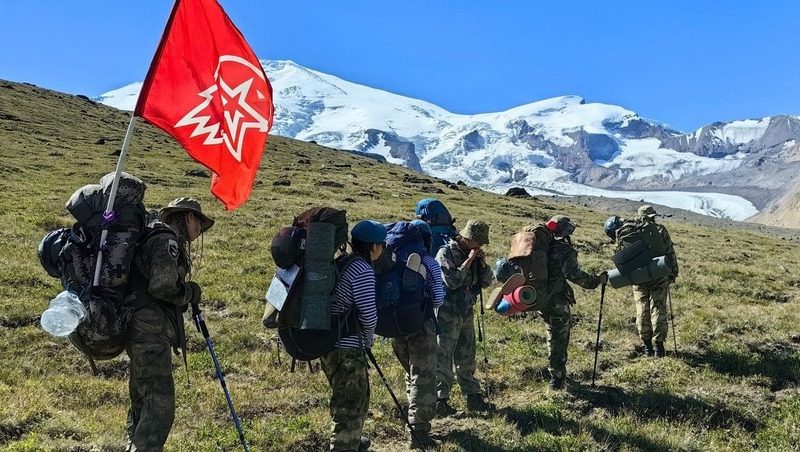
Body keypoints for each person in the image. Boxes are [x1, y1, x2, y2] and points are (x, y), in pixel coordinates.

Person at [125, 197, 213, 451]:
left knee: (143, 403)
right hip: (150, 332)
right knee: (159, 408)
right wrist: (190, 292)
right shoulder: (167, 241)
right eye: (199, 223)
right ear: (188, 217)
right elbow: (162, 285)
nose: (200, 231)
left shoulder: (156, 238)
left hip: (140, 330)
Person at [320, 220, 381, 452]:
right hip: (347, 348)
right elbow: (368, 316)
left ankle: (351, 443)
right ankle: (344, 446)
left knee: (344, 400)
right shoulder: (363, 270)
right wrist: (368, 341)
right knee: (352, 406)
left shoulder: (342, 262)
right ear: (374, 247)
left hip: (329, 343)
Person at [391, 220, 445, 449]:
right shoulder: (429, 262)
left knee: (411, 372)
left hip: (394, 325)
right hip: (421, 325)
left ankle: (411, 418)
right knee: (423, 377)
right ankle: (418, 431)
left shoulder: (391, 260)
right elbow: (439, 298)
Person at [434, 220, 494, 415]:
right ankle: (440, 400)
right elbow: (451, 282)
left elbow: (486, 282)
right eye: (478, 243)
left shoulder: (476, 256)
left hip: (466, 308)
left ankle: (472, 395)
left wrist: (482, 264)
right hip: (447, 311)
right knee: (444, 353)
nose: (480, 247)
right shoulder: (446, 253)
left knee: (467, 353)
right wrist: (468, 261)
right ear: (467, 239)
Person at [541, 215, 607, 389]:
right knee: (559, 339)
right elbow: (577, 277)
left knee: (551, 334)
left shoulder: (540, 246)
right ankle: (557, 379)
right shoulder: (564, 251)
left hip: (538, 298)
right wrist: (597, 280)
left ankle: (555, 372)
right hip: (556, 301)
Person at [631, 205, 679, 358]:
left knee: (642, 310)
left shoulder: (631, 231)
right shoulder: (660, 230)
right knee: (658, 308)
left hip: (639, 277)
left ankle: (647, 347)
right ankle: (659, 346)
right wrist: (673, 272)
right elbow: (669, 252)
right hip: (658, 275)